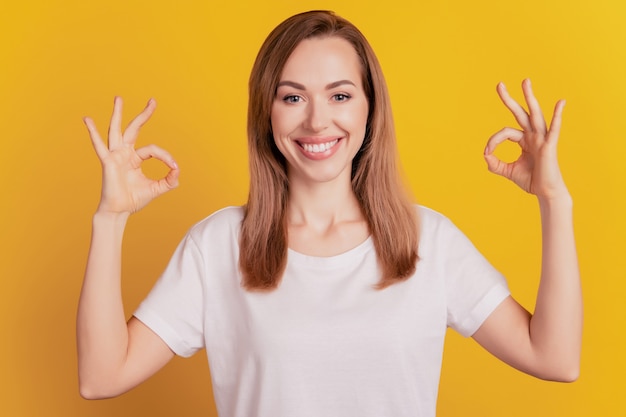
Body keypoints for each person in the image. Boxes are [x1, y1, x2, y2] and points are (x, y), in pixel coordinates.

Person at [77, 10, 582, 417]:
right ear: (266, 113)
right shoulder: (218, 246)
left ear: (369, 108)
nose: (318, 120)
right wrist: (111, 218)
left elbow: (555, 359)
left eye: (340, 95)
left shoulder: (429, 241)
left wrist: (555, 201)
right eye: (292, 97)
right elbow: (102, 377)